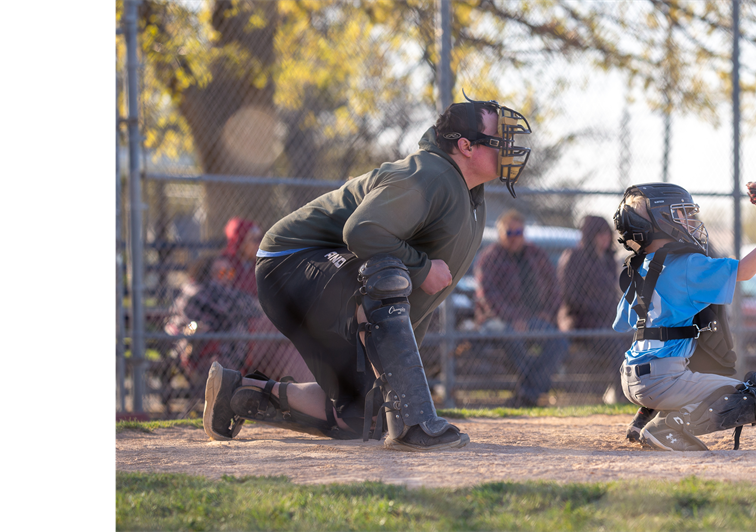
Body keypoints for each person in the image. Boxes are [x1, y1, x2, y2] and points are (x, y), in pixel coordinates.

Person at [202, 95, 534, 451]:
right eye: (499, 138)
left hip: (322, 279)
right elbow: (362, 231)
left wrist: (395, 376)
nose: (509, 146)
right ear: (466, 146)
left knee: (361, 416)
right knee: (385, 272)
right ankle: (416, 422)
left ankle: (237, 392)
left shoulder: (471, 197)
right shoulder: (431, 173)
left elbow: (410, 307)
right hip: (292, 260)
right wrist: (421, 268)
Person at [612, 182, 756, 451]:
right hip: (661, 380)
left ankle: (645, 417)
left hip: (630, 377)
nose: (691, 220)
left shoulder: (637, 266)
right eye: (682, 213)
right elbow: (745, 270)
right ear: (663, 220)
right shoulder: (687, 264)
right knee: (752, 393)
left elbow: (622, 323)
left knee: (686, 342)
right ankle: (667, 428)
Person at [474, 209, 569, 407]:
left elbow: (554, 289)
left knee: (558, 341)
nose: (515, 238)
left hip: (534, 319)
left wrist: (548, 315)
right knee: (511, 337)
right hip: (497, 321)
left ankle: (527, 393)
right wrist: (513, 318)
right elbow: (487, 296)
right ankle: (531, 392)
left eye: (519, 233)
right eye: (510, 233)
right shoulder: (490, 257)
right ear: (500, 234)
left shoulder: (536, 255)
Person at [220, 217, 315, 383]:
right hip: (240, 330)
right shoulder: (224, 267)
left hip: (264, 328)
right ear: (239, 241)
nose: (259, 243)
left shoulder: (259, 265)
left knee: (289, 350)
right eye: (254, 239)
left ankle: (298, 395)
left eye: (260, 238)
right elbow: (225, 299)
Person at [162, 251, 264, 394]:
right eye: (222, 273)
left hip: (226, 350)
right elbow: (182, 324)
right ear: (208, 274)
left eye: (230, 273)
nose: (227, 278)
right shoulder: (196, 293)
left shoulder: (228, 295)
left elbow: (254, 308)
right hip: (195, 351)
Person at [556, 215, 628, 403]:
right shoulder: (574, 257)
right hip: (581, 322)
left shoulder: (608, 260)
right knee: (613, 343)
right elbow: (570, 297)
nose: (605, 238)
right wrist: (599, 309)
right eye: (600, 234)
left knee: (632, 338)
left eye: (607, 234)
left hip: (606, 321)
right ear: (590, 235)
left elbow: (613, 295)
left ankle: (625, 391)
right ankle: (621, 396)